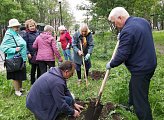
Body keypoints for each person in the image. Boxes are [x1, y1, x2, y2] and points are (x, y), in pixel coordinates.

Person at [106, 7, 157, 120]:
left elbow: (121, 56)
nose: (115, 25)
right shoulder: (142, 21)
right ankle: (130, 105)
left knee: (141, 100)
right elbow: (138, 37)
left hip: (141, 68)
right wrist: (123, 35)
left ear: (120, 17)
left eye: (115, 22)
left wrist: (111, 64)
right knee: (133, 85)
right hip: (150, 62)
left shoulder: (127, 31)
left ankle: (143, 114)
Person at [0, 18, 27, 96]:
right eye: (16, 26)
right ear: (11, 27)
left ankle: (20, 88)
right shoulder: (9, 34)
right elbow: (3, 47)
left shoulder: (16, 33)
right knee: (16, 75)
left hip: (20, 58)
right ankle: (17, 91)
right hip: (14, 59)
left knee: (20, 74)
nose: (18, 28)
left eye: (18, 26)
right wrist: (14, 49)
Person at [23, 19, 41, 85]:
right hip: (31, 54)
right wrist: (27, 53)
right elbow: (25, 45)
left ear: (35, 26)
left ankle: (39, 81)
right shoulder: (26, 35)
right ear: (28, 27)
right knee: (33, 68)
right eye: (30, 26)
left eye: (33, 25)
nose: (32, 27)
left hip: (39, 53)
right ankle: (32, 82)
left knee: (39, 67)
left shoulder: (38, 33)